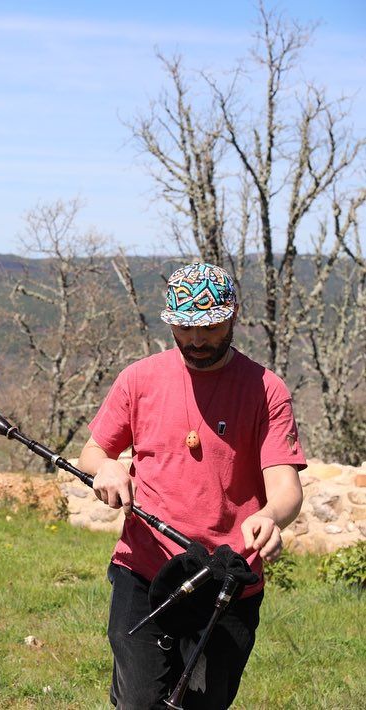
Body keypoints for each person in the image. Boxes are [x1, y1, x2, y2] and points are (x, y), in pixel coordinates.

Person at [79, 262, 305, 709]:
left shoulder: (266, 390)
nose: (197, 340)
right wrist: (106, 468)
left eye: (210, 328)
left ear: (234, 316)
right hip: (144, 569)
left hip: (226, 580)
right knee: (140, 701)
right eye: (184, 328)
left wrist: (269, 515)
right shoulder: (139, 379)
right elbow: (92, 452)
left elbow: (286, 485)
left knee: (204, 703)